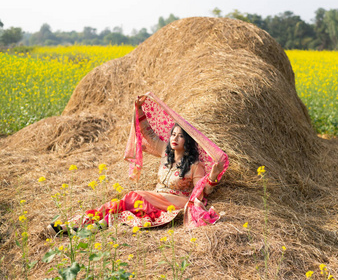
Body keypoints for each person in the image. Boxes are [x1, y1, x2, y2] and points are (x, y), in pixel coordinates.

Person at [47, 93, 227, 235]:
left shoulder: (195, 164)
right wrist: (139, 109)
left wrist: (213, 175)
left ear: (187, 141)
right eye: (173, 134)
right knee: (117, 204)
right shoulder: (165, 151)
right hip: (155, 196)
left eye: (180, 136)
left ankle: (85, 226)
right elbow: (148, 133)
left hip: (174, 201)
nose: (175, 138)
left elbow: (200, 192)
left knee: (133, 196)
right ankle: (78, 225)